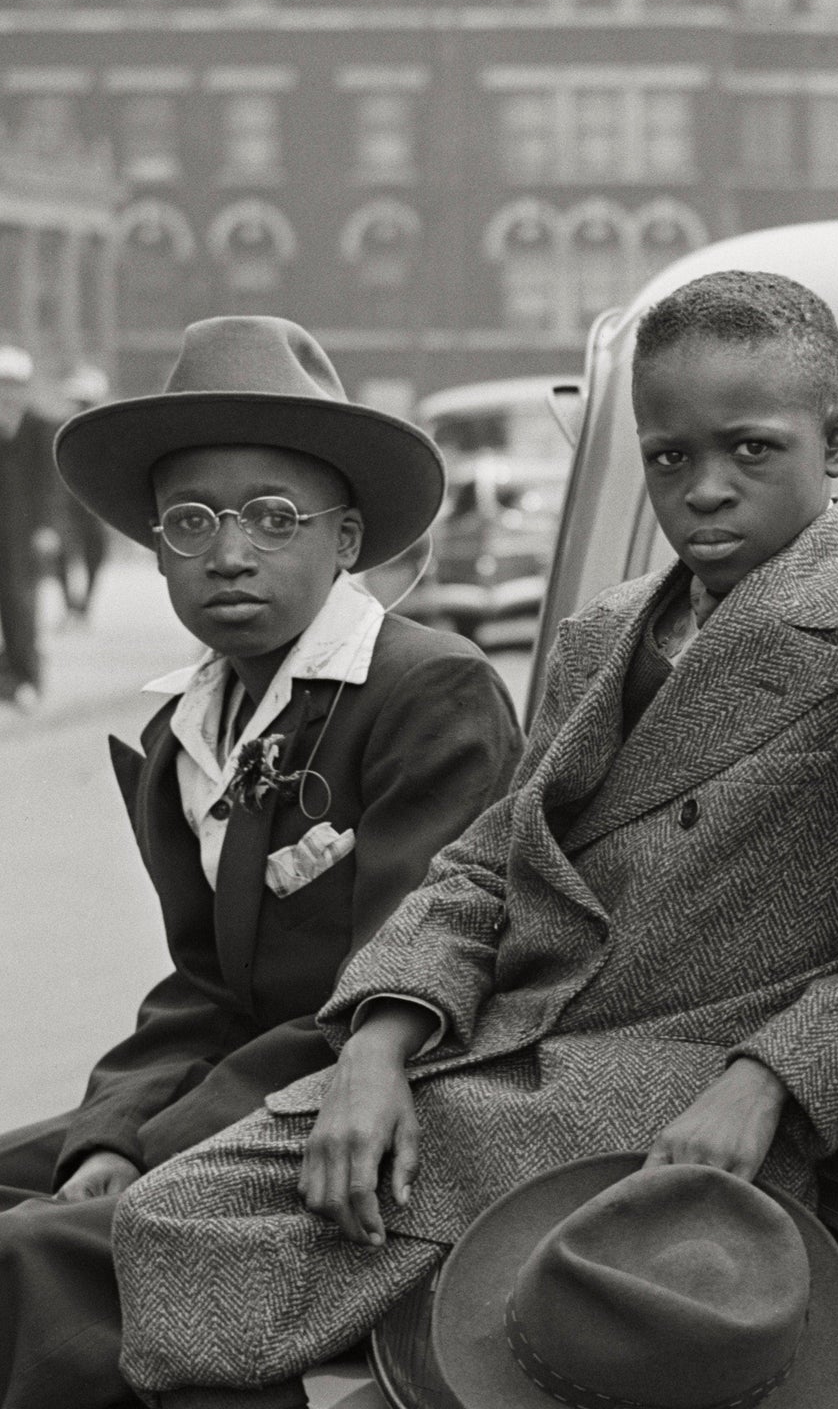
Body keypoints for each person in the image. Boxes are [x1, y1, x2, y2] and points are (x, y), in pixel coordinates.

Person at [112, 271, 838, 1409]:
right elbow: (484, 863)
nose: (705, 491)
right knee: (163, 1219)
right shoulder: (604, 630)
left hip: (684, 1081)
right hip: (501, 1042)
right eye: (668, 458)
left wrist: (770, 1081)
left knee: (300, 1279)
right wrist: (373, 1047)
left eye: (752, 451)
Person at [0, 316, 522, 1409]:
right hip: (245, 1088)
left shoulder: (427, 693)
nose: (229, 553)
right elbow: (205, 984)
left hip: (377, 1106)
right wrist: (112, 1125)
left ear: (346, 540)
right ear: (155, 548)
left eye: (274, 518)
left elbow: (397, 984)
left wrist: (153, 1145)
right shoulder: (183, 731)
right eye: (191, 521)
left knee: (40, 1256)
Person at [0, 346, 55, 709]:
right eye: (3, 384)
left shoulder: (39, 428)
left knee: (21, 603)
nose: (8, 391)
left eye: (14, 384)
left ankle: (27, 676)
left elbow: (49, 484)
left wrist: (47, 527)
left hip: (24, 532)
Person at [51, 364, 112, 617]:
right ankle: (69, 603)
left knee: (94, 553)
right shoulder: (59, 430)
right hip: (66, 500)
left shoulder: (105, 431)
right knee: (62, 553)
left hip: (94, 501)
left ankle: (84, 602)